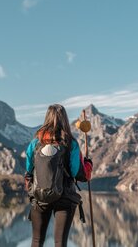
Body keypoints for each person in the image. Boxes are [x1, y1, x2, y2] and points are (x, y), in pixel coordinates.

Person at [24, 104, 93, 247]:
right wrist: (88, 164)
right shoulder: (71, 143)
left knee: (37, 241)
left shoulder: (35, 143)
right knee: (60, 243)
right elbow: (77, 173)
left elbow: (29, 170)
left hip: (40, 197)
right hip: (65, 197)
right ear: (65, 120)